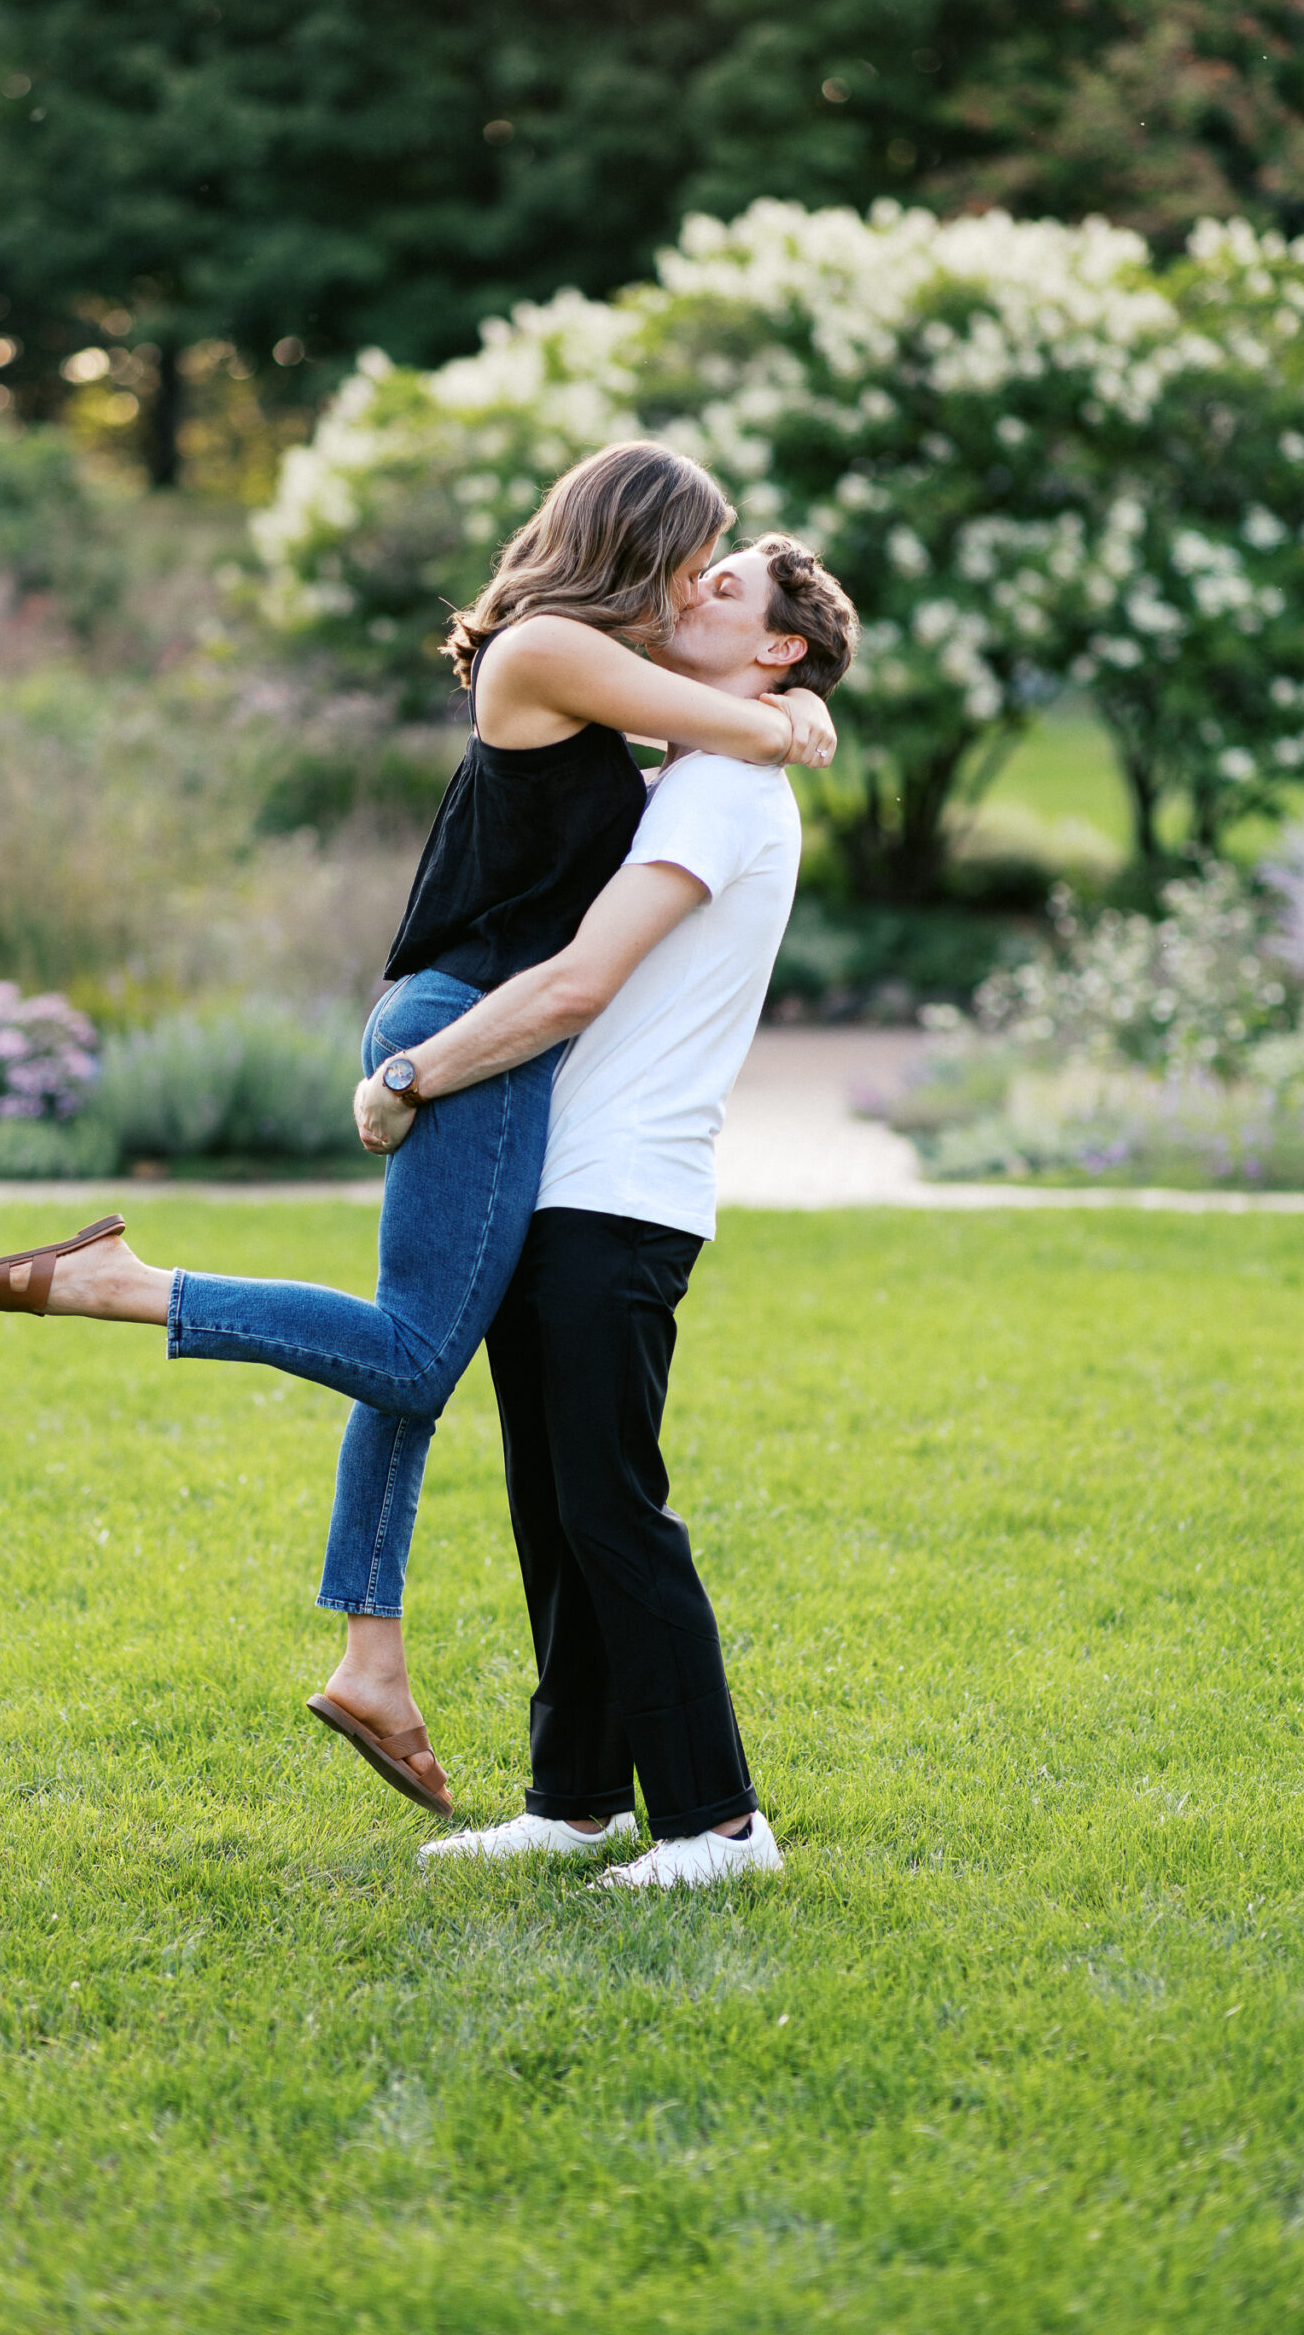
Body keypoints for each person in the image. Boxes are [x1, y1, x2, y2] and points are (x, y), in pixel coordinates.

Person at [0, 444, 838, 1821]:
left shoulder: (648, 728)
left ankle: (396, 1674)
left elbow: (712, 749)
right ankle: (124, 1287)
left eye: (716, 576)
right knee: (420, 1350)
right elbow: (735, 733)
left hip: (480, 1042)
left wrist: (781, 708)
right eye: (688, 561)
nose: (687, 588)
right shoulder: (548, 648)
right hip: (463, 1026)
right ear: (634, 547)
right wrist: (792, 716)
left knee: (428, 1357)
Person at [350, 534, 859, 1887]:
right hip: (576, 1182)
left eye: (728, 588)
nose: (694, 590)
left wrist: (415, 1072)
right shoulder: (700, 769)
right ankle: (576, 1799)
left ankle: (722, 1825)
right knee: (558, 1505)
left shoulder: (719, 791)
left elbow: (579, 983)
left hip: (616, 1191)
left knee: (613, 1509)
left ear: (778, 649)